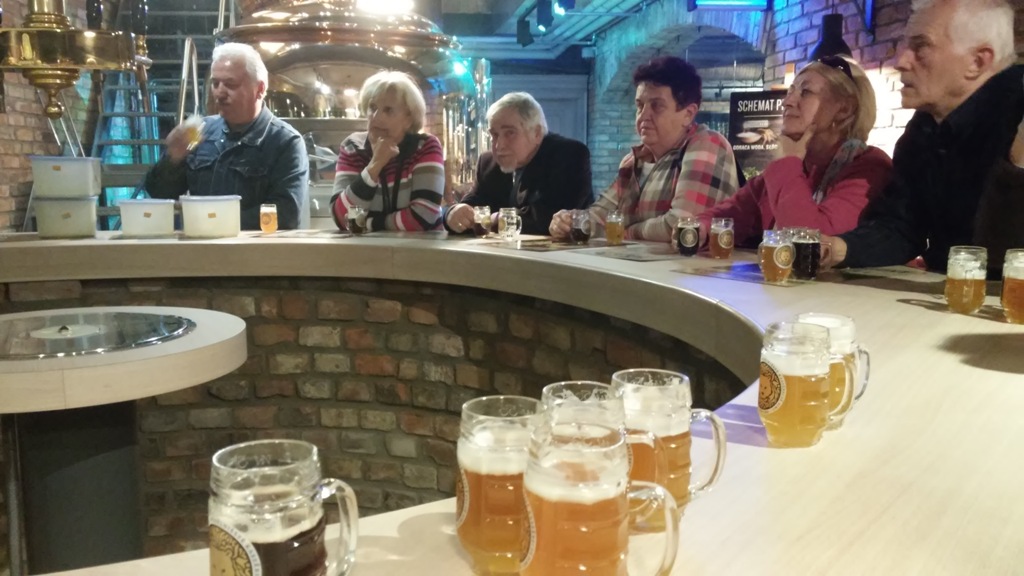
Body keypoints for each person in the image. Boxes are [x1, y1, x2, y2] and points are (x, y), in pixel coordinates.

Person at [824, 0, 1024, 271]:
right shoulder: (925, 127)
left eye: (921, 47)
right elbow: (902, 226)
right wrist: (836, 248)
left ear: (977, 62)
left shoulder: (1017, 114)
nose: (901, 62)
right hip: (957, 290)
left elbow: (1003, 252)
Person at [696, 56, 892, 247]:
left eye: (805, 92)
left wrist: (788, 162)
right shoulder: (795, 166)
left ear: (844, 109)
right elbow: (726, 217)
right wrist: (700, 229)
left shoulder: (869, 168)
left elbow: (807, 242)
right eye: (790, 91)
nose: (787, 102)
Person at [549, 56, 739, 242]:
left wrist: (624, 232)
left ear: (688, 114)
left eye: (657, 106)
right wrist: (570, 222)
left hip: (694, 265)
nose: (643, 116)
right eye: (640, 106)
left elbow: (681, 226)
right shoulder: (632, 161)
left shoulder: (707, 144)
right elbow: (600, 218)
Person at [145, 42, 308, 230]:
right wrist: (172, 159)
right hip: (201, 246)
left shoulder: (285, 142)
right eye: (215, 84)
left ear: (260, 89)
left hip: (253, 248)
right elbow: (159, 193)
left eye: (230, 84)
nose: (219, 93)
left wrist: (211, 221)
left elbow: (286, 214)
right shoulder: (201, 132)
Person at [443, 92, 593, 235]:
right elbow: (472, 206)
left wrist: (493, 219)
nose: (499, 145)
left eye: (510, 133)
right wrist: (454, 213)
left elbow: (545, 218)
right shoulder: (488, 163)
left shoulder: (569, 155)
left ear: (537, 133)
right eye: (494, 134)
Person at [331, 71, 444, 232]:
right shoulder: (353, 147)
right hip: (366, 249)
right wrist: (375, 165)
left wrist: (367, 224)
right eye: (372, 107)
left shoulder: (425, 147)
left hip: (421, 247)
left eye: (388, 110)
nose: (376, 117)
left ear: (408, 119)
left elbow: (423, 217)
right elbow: (341, 217)